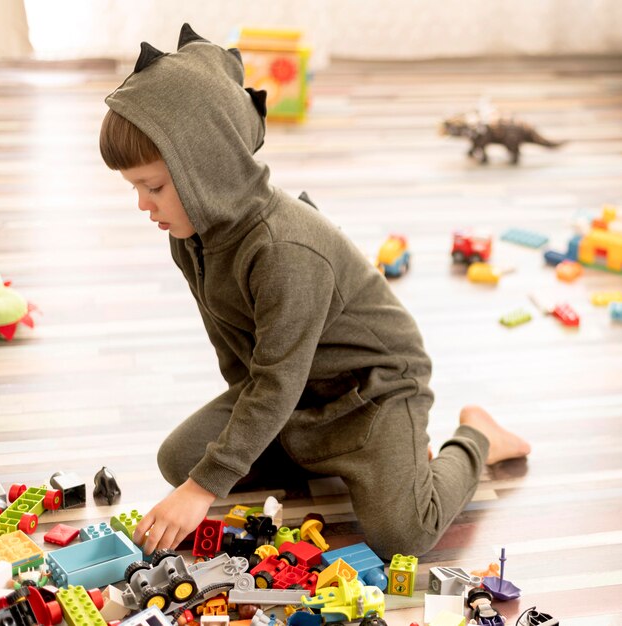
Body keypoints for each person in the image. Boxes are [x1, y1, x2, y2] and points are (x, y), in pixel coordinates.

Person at [99, 24, 531, 560]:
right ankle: (332, 455)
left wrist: (206, 487)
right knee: (179, 459)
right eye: (136, 189)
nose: (145, 205)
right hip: (298, 388)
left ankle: (477, 437)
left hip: (371, 388)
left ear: (205, 169)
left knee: (403, 534)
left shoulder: (286, 250)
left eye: (154, 187)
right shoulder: (193, 238)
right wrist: (214, 466)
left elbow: (277, 380)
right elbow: (238, 355)